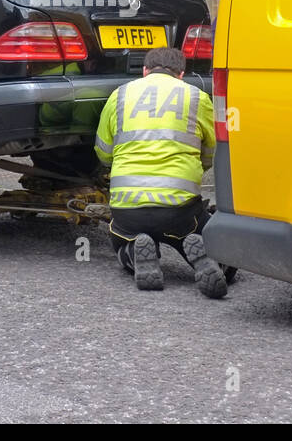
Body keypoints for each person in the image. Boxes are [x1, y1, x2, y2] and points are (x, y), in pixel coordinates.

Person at [93, 47, 228, 297]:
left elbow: (103, 151)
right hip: (180, 211)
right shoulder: (197, 97)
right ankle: (210, 257)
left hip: (128, 210)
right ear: (181, 74)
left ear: (144, 71)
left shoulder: (119, 96)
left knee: (121, 240)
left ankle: (135, 253)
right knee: (215, 245)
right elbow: (212, 152)